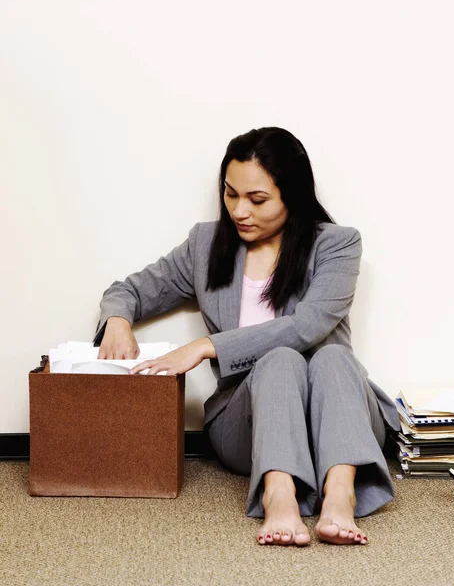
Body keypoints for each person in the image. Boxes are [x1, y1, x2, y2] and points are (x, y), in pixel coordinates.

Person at [94, 126, 401, 547]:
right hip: (249, 420)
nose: (240, 211)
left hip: (338, 418)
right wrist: (117, 321)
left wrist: (206, 347)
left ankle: (340, 494)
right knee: (278, 360)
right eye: (230, 194)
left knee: (330, 356)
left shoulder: (336, 245)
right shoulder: (205, 245)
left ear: (292, 195)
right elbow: (126, 291)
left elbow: (307, 325)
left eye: (257, 200)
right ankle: (278, 496)